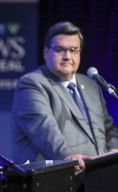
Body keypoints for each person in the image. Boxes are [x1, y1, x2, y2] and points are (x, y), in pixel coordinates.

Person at [12, 21, 118, 171]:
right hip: (57, 179)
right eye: (60, 49)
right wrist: (69, 157)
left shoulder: (91, 85)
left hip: (96, 177)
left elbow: (108, 128)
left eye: (74, 50)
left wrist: (113, 150)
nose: (67, 56)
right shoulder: (31, 84)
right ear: (45, 52)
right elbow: (45, 130)